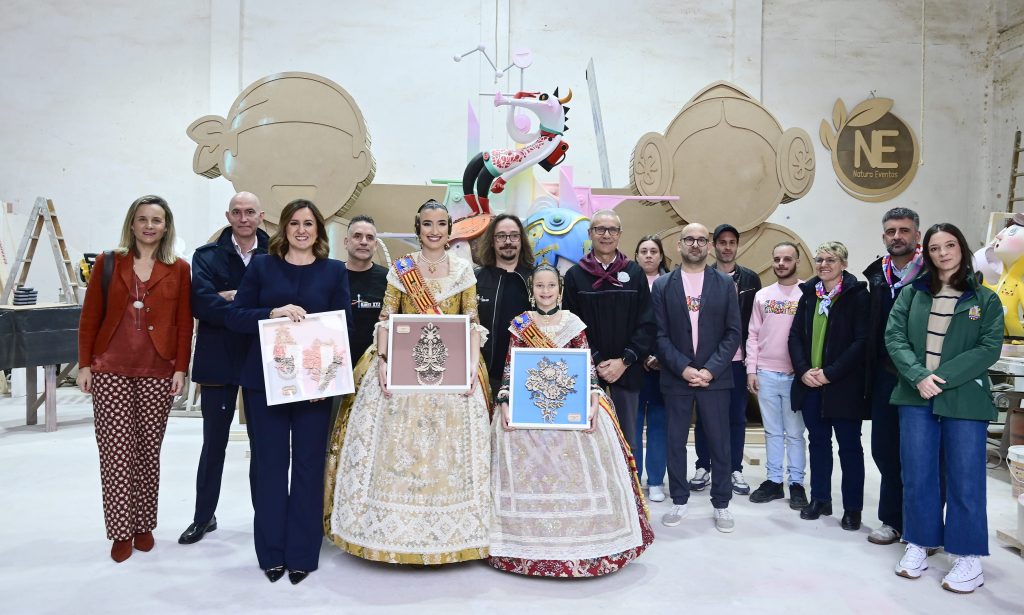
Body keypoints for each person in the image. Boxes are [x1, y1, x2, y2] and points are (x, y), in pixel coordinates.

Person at [325, 199, 492, 565]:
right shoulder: (402, 269)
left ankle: (455, 531)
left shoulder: (463, 270)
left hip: (453, 370)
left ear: (449, 230)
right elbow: (387, 318)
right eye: (427, 224)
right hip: (401, 366)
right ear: (418, 228)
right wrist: (384, 361)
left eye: (441, 224)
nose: (434, 230)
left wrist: (469, 367)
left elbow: (471, 321)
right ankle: (385, 530)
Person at [488, 265, 654, 576]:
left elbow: (587, 369)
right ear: (532, 290)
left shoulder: (573, 324)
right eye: (540, 286)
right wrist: (506, 403)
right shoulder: (521, 324)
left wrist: (593, 400)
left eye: (551, 285)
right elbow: (511, 369)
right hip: (529, 407)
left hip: (569, 408)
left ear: (560, 290)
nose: (546, 291)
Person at [227, 199, 351, 584]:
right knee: (270, 466)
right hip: (265, 384)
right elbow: (235, 316)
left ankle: (302, 554)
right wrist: (271, 313)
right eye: (294, 223)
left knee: (309, 468)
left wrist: (324, 382)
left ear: (318, 231)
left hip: (314, 388)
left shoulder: (333, 271)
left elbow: (341, 328)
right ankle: (271, 553)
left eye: (308, 223)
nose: (301, 230)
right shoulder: (262, 266)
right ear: (284, 228)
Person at [76, 195, 193, 563]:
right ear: (132, 223)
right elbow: (90, 316)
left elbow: (184, 322)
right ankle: (120, 530)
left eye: (156, 220)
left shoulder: (179, 269)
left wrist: (180, 368)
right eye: (142, 219)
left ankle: (143, 524)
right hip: (109, 367)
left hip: (158, 368)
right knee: (115, 452)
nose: (149, 226)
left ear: (166, 226)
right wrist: (84, 364)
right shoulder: (109, 262)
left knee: (147, 451)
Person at [887, 223, 1001, 594]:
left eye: (950, 245)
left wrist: (941, 378)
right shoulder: (912, 294)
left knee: (965, 477)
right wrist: (918, 375)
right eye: (935, 248)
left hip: (964, 398)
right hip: (915, 395)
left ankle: (968, 556)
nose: (943, 253)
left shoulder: (984, 299)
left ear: (961, 248)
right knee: (918, 473)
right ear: (928, 254)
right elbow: (894, 337)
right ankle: (919, 541)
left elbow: (988, 348)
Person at [179, 192, 269, 545]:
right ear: (228, 215)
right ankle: (203, 517)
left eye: (250, 212)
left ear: (261, 216)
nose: (244, 218)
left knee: (264, 446)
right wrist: (251, 307)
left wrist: (230, 298)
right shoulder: (206, 256)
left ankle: (266, 518)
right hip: (219, 358)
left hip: (263, 360)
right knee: (213, 444)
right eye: (237, 212)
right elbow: (201, 304)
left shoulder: (276, 254)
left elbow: (279, 300)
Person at [652, 223, 741, 533]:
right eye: (689, 239)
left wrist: (710, 369)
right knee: (675, 442)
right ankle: (679, 499)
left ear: (709, 246)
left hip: (715, 378)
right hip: (677, 377)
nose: (695, 244)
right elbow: (659, 335)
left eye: (701, 240)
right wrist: (684, 368)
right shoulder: (663, 285)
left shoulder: (724, 283)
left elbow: (733, 333)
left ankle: (722, 503)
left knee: (719, 442)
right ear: (679, 245)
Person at [788, 241, 869, 531]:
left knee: (849, 448)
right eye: (819, 259)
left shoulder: (858, 296)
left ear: (843, 264)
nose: (823, 264)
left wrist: (830, 373)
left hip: (843, 386)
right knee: (818, 444)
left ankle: (852, 509)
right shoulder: (809, 294)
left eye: (831, 260)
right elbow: (795, 337)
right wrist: (803, 371)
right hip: (811, 384)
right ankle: (820, 499)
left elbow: (861, 342)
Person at [562, 209, 655, 450]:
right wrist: (597, 361)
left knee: (627, 441)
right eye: (600, 229)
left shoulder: (635, 273)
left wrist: (624, 361)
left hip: (628, 371)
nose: (606, 235)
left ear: (620, 234)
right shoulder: (575, 276)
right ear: (590, 233)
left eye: (612, 229)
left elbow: (647, 323)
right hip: (588, 373)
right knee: (587, 441)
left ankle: (628, 478)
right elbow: (571, 326)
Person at [862, 207, 923, 546]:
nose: (897, 236)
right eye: (891, 231)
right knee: (884, 450)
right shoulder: (876, 276)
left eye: (904, 230)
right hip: (885, 375)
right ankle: (893, 520)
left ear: (917, 235)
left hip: (921, 376)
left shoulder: (930, 274)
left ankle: (922, 526)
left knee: (920, 454)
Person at [691, 223, 761, 496]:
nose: (727, 247)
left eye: (732, 242)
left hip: (737, 361)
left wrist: (752, 362)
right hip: (707, 361)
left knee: (736, 416)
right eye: (722, 242)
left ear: (737, 246)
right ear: (713, 246)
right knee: (705, 416)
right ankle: (703, 466)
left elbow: (754, 324)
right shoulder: (701, 277)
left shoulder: (750, 280)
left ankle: (734, 468)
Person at [746, 242, 807, 509]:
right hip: (766, 373)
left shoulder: (808, 293)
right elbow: (753, 334)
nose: (781, 263)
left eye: (787, 259)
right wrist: (751, 369)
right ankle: (773, 481)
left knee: (794, 433)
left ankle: (797, 483)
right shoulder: (763, 295)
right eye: (777, 259)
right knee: (772, 431)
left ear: (797, 261)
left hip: (797, 376)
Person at [475, 213, 534, 396]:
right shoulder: (476, 279)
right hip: (485, 374)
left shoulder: (536, 279)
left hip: (527, 375)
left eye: (514, 235)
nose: (508, 241)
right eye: (501, 236)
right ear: (492, 241)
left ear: (521, 240)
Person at [633, 235, 671, 502]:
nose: (648, 255)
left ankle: (656, 480)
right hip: (634, 364)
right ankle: (633, 479)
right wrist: (641, 354)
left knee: (659, 424)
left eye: (653, 251)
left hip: (664, 365)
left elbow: (675, 325)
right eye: (643, 251)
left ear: (661, 256)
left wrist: (659, 355)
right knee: (633, 424)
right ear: (636, 256)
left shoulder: (671, 283)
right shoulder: (627, 282)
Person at [344, 214, 388, 362]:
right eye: (357, 236)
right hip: (337, 362)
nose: (363, 242)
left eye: (369, 238)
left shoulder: (389, 279)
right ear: (346, 242)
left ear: (375, 245)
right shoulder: (332, 275)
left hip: (374, 364)